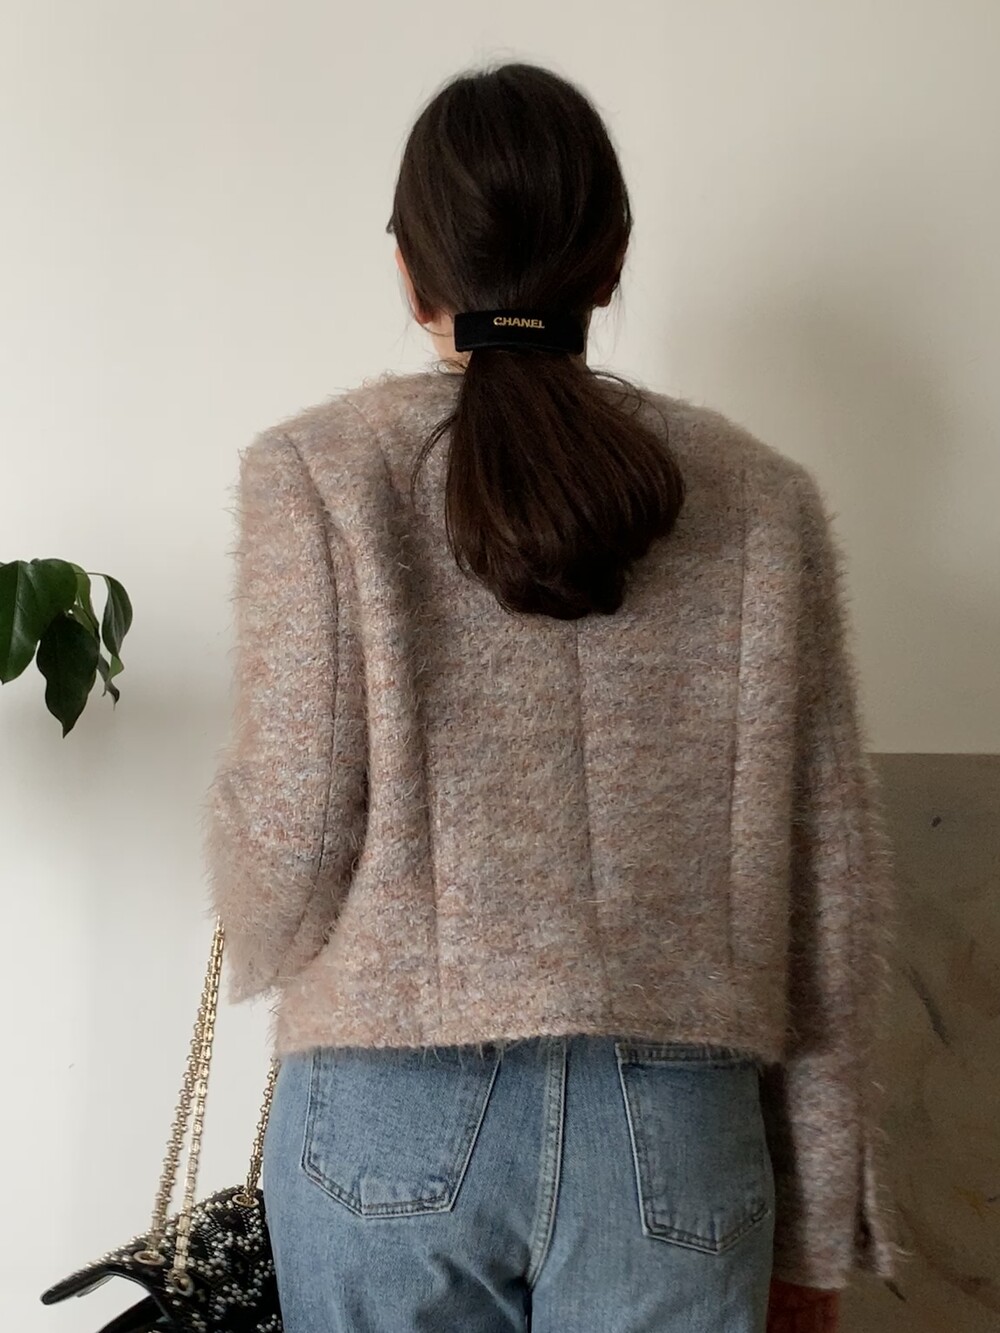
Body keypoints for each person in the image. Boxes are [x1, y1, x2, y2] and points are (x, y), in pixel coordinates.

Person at [200, 59, 910, 1333]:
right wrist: (814, 1237)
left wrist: (253, 916)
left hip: (387, 1108)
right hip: (677, 1124)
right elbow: (829, 895)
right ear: (610, 262)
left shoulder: (317, 474)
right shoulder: (763, 501)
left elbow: (287, 857)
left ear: (411, 272)